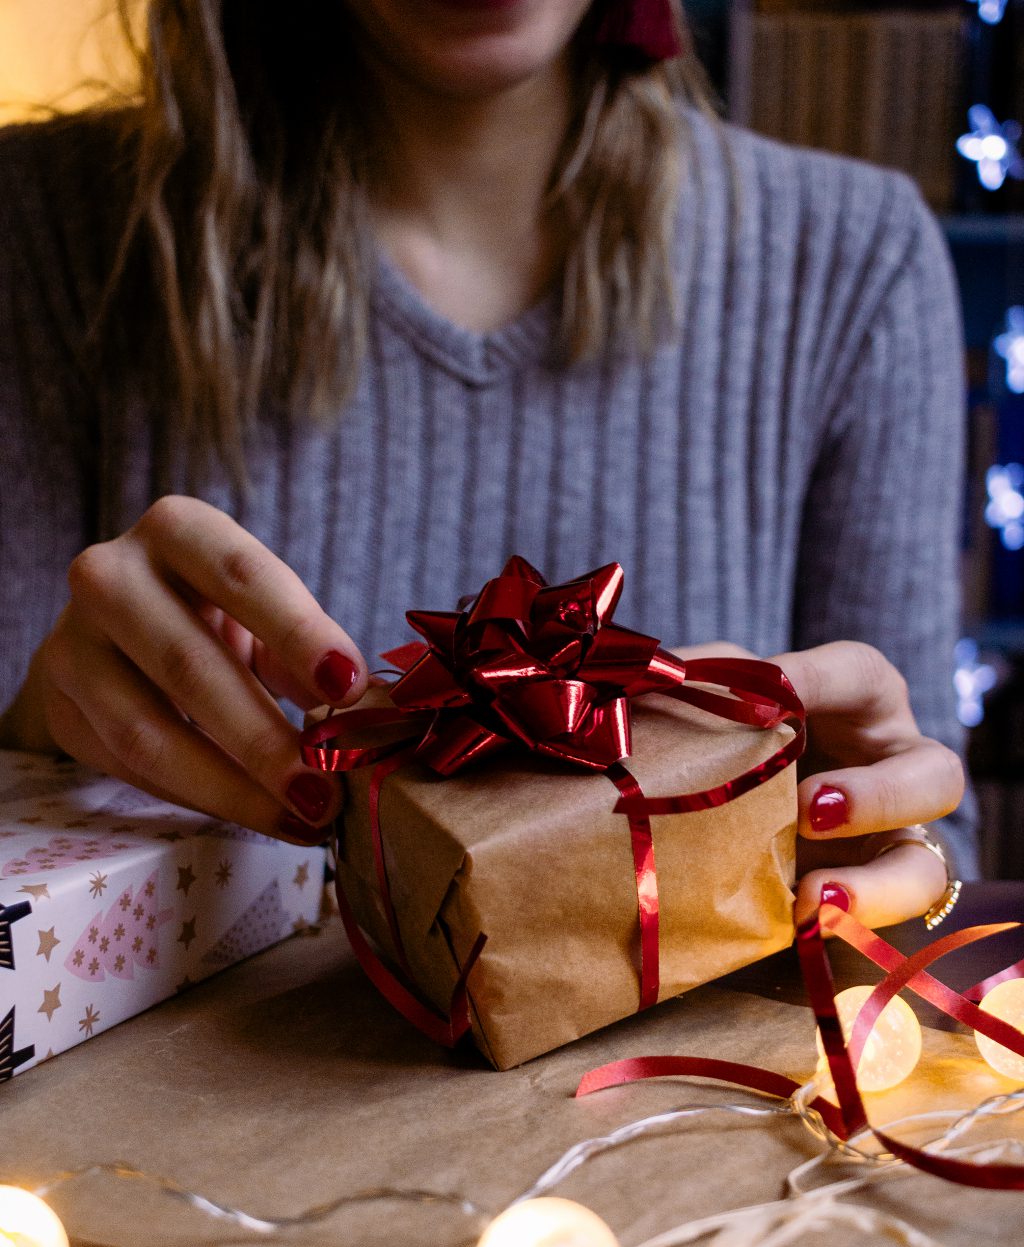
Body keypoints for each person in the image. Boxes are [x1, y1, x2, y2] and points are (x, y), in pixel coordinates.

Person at [0, 0, 970, 929]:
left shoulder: (855, 263)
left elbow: (926, 839)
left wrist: (878, 845)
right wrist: (37, 730)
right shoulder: (42, 230)